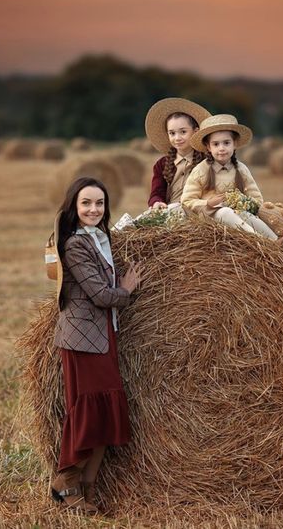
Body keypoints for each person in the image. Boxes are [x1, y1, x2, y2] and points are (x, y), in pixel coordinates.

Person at [50, 176, 142, 513]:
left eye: (99, 203)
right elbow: (102, 295)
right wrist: (127, 290)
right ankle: (64, 484)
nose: (93, 209)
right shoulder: (75, 243)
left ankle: (86, 490)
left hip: (102, 337)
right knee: (89, 414)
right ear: (74, 206)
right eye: (86, 203)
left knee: (104, 415)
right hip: (83, 341)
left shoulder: (100, 239)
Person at [181, 114, 283, 246]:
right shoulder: (201, 170)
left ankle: (276, 242)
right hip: (210, 217)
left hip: (237, 215)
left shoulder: (241, 169)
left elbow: (257, 199)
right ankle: (263, 243)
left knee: (247, 216)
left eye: (226, 143)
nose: (221, 148)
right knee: (226, 212)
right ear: (208, 147)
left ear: (235, 144)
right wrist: (208, 203)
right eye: (216, 144)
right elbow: (186, 200)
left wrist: (243, 203)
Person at [145, 97, 211, 210]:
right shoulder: (162, 164)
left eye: (183, 132)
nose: (177, 138)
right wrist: (157, 202)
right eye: (172, 133)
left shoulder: (207, 161)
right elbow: (156, 193)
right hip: (169, 214)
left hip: (197, 213)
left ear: (196, 132)